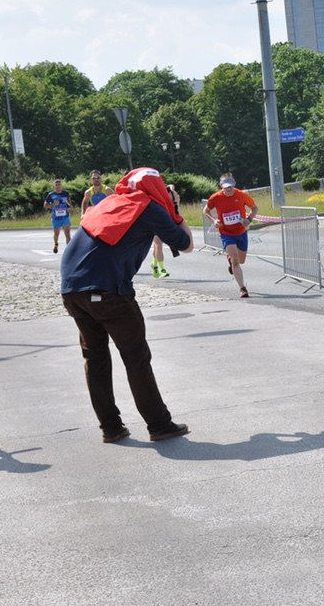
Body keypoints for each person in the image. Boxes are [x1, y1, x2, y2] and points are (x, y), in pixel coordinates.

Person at [60, 167, 194, 444]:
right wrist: (174, 208)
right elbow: (186, 244)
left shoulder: (109, 202)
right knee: (136, 358)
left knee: (95, 358)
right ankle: (159, 424)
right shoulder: (149, 208)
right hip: (109, 291)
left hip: (72, 289)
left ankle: (111, 428)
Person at [203, 173, 257, 298]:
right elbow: (206, 210)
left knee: (241, 260)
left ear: (234, 184)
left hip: (241, 232)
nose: (229, 189)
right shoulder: (215, 197)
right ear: (221, 186)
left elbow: (254, 208)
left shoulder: (242, 195)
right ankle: (242, 288)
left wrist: (249, 219)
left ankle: (231, 261)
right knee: (236, 261)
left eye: (231, 186)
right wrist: (214, 221)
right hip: (226, 232)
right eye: (226, 187)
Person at [150, 184, 180, 279]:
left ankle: (154, 264)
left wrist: (172, 190)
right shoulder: (154, 196)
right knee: (158, 244)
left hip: (166, 223)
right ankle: (162, 269)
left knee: (157, 247)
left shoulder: (172, 196)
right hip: (154, 223)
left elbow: (171, 186)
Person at [44, 179, 72, 253]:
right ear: (54, 186)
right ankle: (56, 244)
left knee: (67, 233)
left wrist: (67, 203)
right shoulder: (51, 194)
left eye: (59, 185)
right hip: (56, 218)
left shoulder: (66, 193)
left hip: (65, 217)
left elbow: (69, 204)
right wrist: (53, 204)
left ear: (61, 185)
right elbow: (45, 205)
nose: (58, 186)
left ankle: (69, 251)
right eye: (56, 185)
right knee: (56, 234)